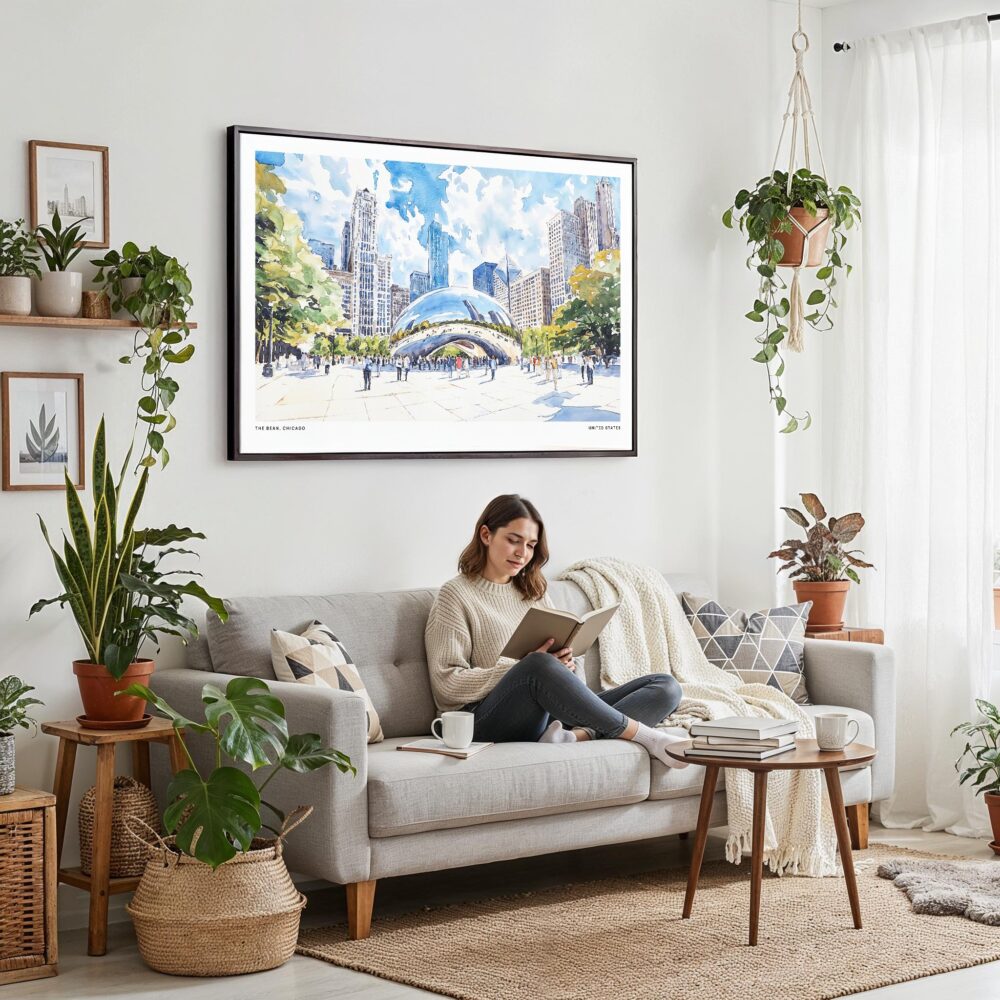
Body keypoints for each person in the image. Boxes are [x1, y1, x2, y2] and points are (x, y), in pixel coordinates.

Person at [424, 494, 688, 766]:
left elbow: (560, 674)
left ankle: (576, 737)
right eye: (513, 540)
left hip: (546, 714)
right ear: (486, 535)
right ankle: (648, 738)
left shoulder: (532, 592)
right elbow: (447, 684)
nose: (522, 553)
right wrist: (520, 668)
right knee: (537, 664)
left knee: (666, 686)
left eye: (530, 545)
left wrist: (566, 666)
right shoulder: (455, 595)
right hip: (482, 722)